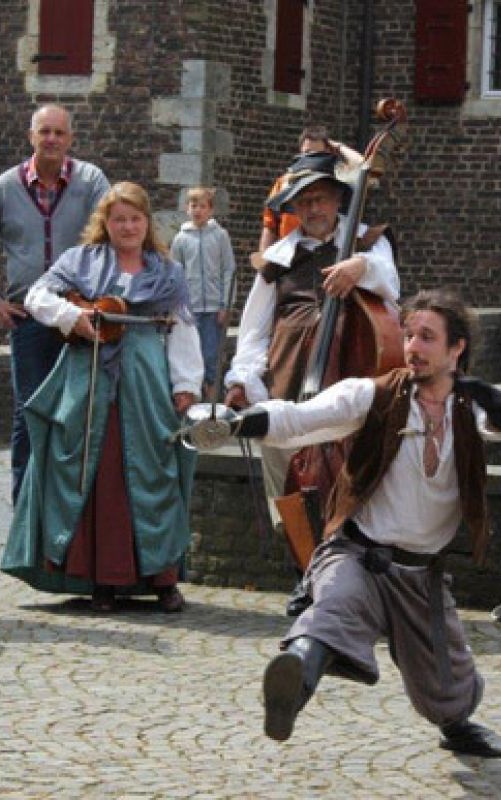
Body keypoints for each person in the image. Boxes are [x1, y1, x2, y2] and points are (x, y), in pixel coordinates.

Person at [197, 290, 501, 758]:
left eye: (427, 337)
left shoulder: (468, 410)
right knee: (331, 610)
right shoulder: (372, 395)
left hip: (420, 574)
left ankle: (457, 727)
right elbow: (297, 418)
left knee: (447, 681)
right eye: (408, 334)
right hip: (358, 552)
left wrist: (485, 393)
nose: (412, 345)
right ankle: (292, 682)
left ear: (456, 349)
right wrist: (235, 424)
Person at [1, 181, 202, 613]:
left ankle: (162, 579)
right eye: (118, 219)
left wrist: (185, 385)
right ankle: (101, 580)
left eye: (134, 218)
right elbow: (37, 297)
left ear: (147, 223)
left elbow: (181, 328)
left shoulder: (167, 272)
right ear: (104, 223)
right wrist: (72, 316)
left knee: (154, 470)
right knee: (95, 473)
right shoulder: (80, 262)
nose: (127, 226)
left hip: (146, 380)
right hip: (90, 379)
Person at [224, 149, 401, 613]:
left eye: (320, 199)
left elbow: (392, 286)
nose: (314, 210)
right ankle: (305, 575)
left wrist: (361, 268)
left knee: (355, 490)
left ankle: (353, 585)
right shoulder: (277, 263)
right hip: (287, 389)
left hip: (351, 392)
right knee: (287, 491)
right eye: (304, 203)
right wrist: (243, 379)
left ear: (338, 200)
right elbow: (253, 333)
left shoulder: (369, 243)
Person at [0, 104, 112, 499]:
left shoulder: (92, 181)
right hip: (28, 321)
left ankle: (73, 508)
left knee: (82, 411)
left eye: (59, 133)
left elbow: (112, 236)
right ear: (31, 137)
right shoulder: (6, 188)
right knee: (29, 413)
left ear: (70, 140)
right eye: (44, 132)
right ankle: (26, 511)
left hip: (80, 317)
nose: (51, 140)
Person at [255, 126, 365, 260]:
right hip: (292, 256)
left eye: (317, 153)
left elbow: (363, 166)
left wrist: (338, 147)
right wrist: (265, 264)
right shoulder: (284, 183)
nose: (311, 158)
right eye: (307, 153)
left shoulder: (337, 181)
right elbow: (270, 226)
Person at [170, 186, 237, 400]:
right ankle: (192, 397)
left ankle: (211, 398)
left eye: (202, 206)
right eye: (193, 205)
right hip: (190, 308)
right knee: (190, 355)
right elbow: (175, 273)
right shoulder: (181, 239)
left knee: (211, 355)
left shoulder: (220, 236)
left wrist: (226, 304)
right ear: (187, 208)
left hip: (213, 307)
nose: (197, 210)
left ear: (211, 210)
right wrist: (177, 306)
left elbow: (229, 269)